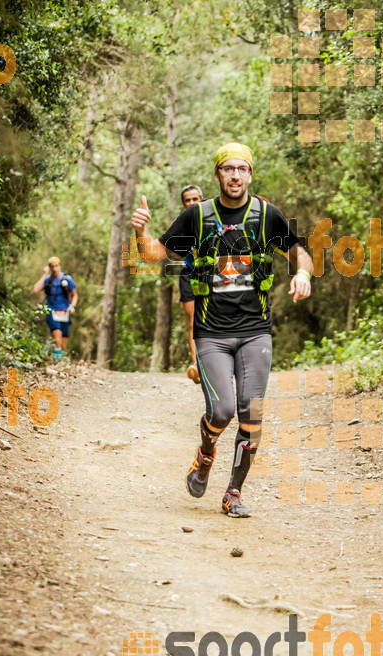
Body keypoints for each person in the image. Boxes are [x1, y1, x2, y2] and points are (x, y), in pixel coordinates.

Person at [131, 142, 313, 518]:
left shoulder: (267, 215)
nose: (234, 175)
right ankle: (205, 454)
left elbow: (299, 250)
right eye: (227, 169)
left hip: (255, 330)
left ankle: (234, 492)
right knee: (223, 410)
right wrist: (140, 232)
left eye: (241, 169)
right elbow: (154, 255)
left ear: (250, 174)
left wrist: (302, 273)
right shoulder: (197, 216)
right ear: (218, 174)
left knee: (252, 413)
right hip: (211, 332)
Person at [179, 184, 204, 384]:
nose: (191, 203)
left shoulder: (213, 220)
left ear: (201, 200)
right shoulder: (180, 223)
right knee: (192, 320)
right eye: (187, 200)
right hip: (189, 273)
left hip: (210, 273)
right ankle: (197, 366)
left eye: (195, 199)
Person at [33, 256, 78, 361]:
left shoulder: (67, 279)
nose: (54, 269)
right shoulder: (48, 279)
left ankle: (59, 361)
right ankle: (56, 364)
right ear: (49, 267)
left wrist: (73, 306)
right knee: (57, 338)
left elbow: (75, 295)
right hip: (51, 310)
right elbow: (35, 290)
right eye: (52, 266)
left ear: (59, 266)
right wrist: (45, 274)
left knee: (63, 344)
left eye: (56, 266)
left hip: (64, 312)